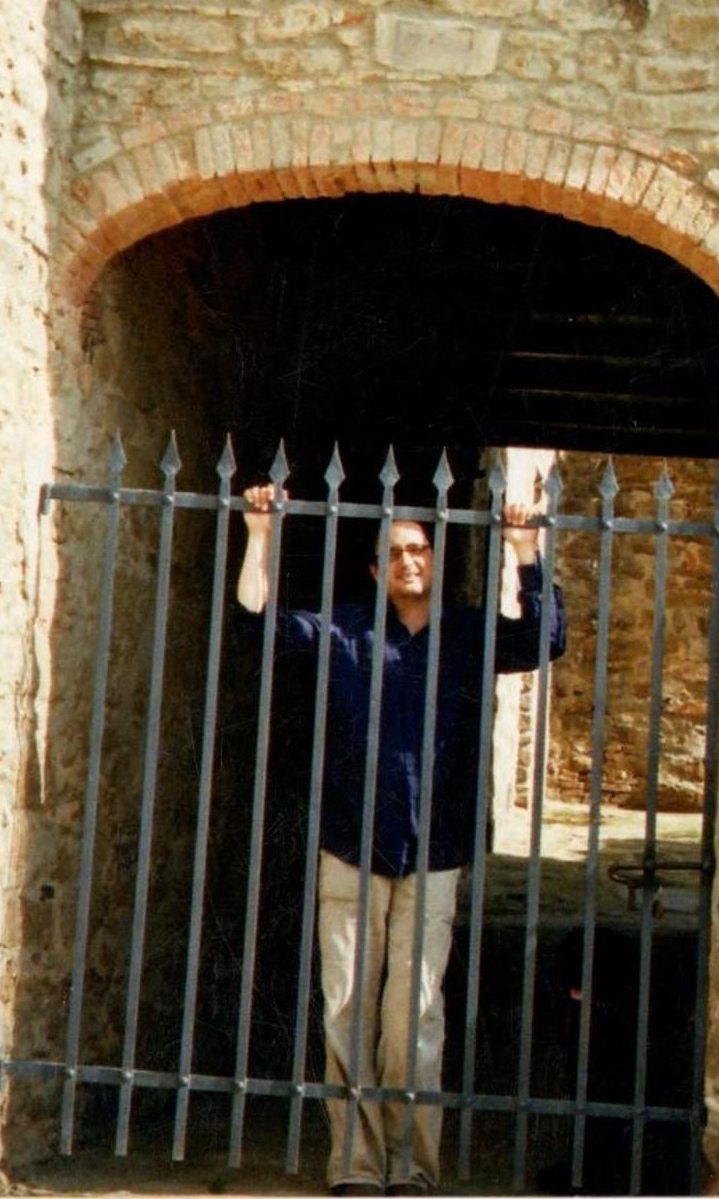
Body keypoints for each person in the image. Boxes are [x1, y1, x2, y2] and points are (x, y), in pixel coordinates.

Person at [237, 486, 566, 1196]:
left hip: (435, 845)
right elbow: (259, 625)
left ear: (434, 560)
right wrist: (259, 534)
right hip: (350, 843)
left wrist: (526, 553)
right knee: (347, 1009)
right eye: (393, 554)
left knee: (415, 1015)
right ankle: (356, 1166)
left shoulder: (468, 634)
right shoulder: (347, 630)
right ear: (374, 569)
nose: (408, 561)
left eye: (418, 550)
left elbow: (545, 640)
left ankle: (411, 1167)